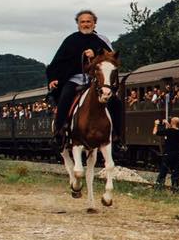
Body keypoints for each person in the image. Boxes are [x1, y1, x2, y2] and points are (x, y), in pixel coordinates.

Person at [46, 9, 122, 146]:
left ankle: (117, 135)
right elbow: (57, 61)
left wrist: (95, 55)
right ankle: (60, 132)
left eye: (88, 21)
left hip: (97, 80)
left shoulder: (102, 40)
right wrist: (53, 78)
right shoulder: (70, 40)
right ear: (78, 24)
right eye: (82, 22)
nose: (85, 24)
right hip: (75, 78)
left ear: (94, 24)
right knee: (65, 96)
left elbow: (111, 59)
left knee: (115, 102)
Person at [153, 117, 179, 190]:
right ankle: (176, 188)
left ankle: (159, 186)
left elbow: (155, 132)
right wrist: (167, 123)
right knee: (176, 172)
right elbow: (173, 130)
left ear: (172, 122)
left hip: (168, 154)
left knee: (163, 171)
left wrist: (156, 124)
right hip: (177, 154)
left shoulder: (168, 131)